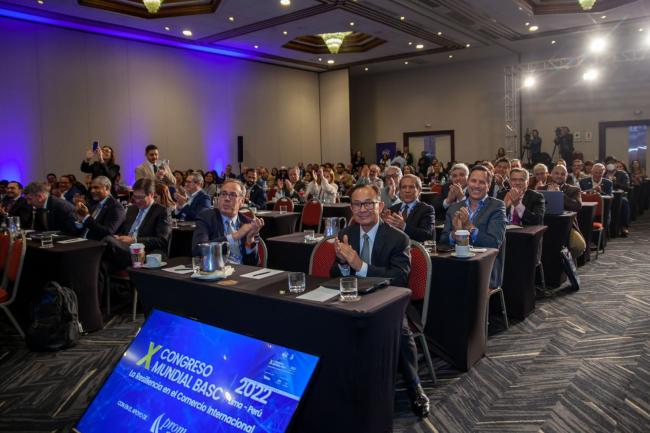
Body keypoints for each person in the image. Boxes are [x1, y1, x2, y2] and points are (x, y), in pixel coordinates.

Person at [330, 184, 429, 418]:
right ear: (351, 208)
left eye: (368, 203)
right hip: (352, 299)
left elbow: (399, 278)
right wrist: (343, 264)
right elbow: (334, 274)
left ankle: (414, 385)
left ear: (380, 206)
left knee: (399, 330)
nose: (362, 209)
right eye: (356, 204)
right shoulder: (347, 234)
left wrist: (359, 266)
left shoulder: (398, 238)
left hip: (387, 300)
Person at [440, 166, 507, 289]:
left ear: (488, 185)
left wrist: (468, 226)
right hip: (455, 267)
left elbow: (493, 243)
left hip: (484, 270)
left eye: (482, 182)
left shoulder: (497, 206)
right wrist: (455, 234)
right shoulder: (454, 208)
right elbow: (443, 240)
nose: (476, 185)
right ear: (468, 182)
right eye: (473, 181)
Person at [102, 178, 171, 271]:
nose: (137, 201)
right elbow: (122, 231)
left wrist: (134, 240)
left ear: (151, 194)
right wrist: (118, 237)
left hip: (142, 252)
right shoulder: (132, 209)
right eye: (135, 196)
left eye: (141, 197)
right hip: (124, 249)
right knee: (100, 264)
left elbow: (162, 241)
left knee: (107, 241)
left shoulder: (161, 211)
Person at [192, 179, 263, 265]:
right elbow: (198, 250)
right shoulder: (206, 217)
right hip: (216, 270)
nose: (227, 199)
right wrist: (235, 236)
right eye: (223, 194)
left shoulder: (248, 223)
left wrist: (249, 240)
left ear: (242, 201)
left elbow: (254, 264)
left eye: (233, 195)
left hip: (241, 271)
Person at [539, 164, 585, 258]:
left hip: (567, 225)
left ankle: (568, 261)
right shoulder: (541, 189)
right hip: (545, 224)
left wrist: (560, 194)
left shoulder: (574, 190)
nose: (559, 176)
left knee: (579, 246)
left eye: (562, 174)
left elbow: (577, 206)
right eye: (556, 173)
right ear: (551, 174)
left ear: (566, 176)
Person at [384, 175, 435, 242]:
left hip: (415, 247)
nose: (407, 191)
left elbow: (426, 235)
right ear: (399, 191)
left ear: (419, 190)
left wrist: (404, 226)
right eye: (404, 187)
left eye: (411, 187)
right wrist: (383, 225)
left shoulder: (426, 209)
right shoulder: (392, 210)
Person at [74, 176, 125, 240]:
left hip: (96, 243)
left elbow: (108, 232)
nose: (92, 191)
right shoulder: (94, 204)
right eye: (91, 188)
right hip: (81, 239)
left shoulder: (115, 207)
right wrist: (81, 219)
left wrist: (86, 217)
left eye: (96, 187)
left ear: (107, 188)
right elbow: (85, 225)